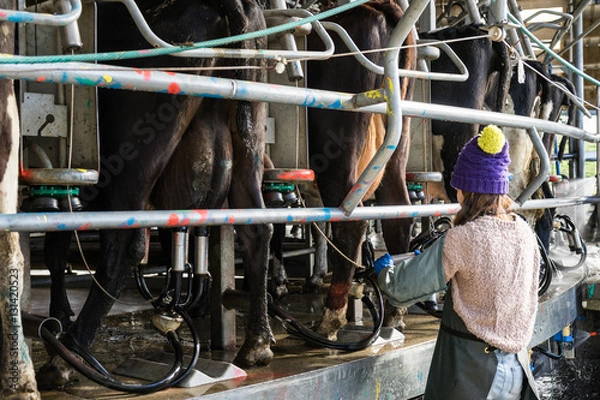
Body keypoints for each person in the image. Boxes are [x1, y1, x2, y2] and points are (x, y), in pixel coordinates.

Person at [374, 125, 541, 400]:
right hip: (517, 370)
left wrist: (386, 273)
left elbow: (402, 291)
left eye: (459, 187)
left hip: (474, 376)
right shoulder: (524, 232)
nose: (457, 195)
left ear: (470, 190)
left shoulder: (464, 238)